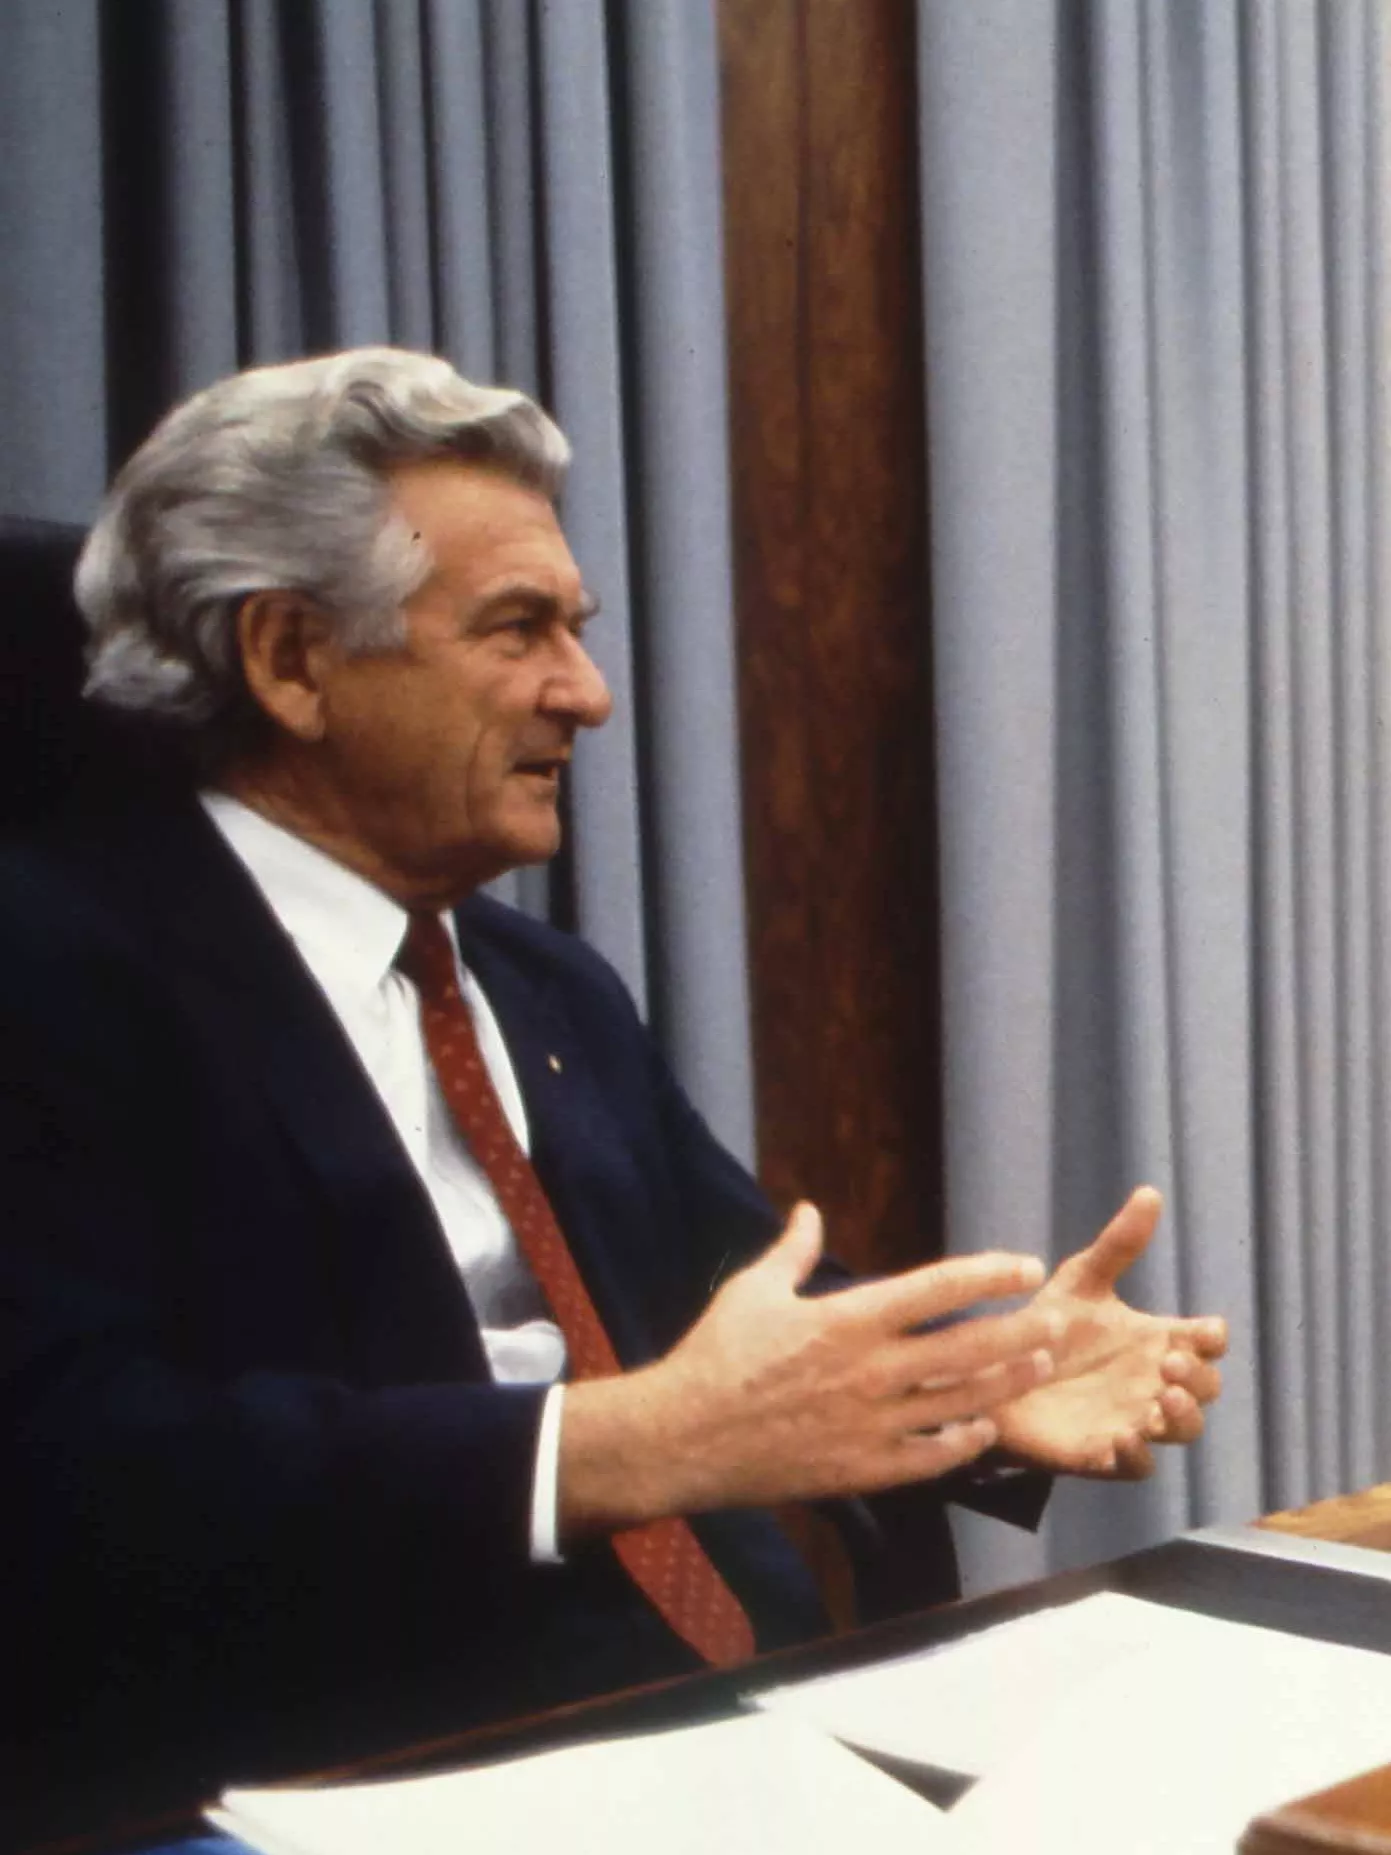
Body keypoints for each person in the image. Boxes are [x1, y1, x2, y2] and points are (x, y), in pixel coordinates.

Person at [0, 349, 1225, 1810]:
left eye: (575, 631)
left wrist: (988, 1369)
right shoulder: (55, 967)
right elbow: (74, 1467)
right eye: (517, 630)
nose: (584, 694)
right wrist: (618, 1448)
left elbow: (746, 1291)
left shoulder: (541, 983)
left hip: (723, 1714)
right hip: (343, 1754)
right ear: (289, 657)